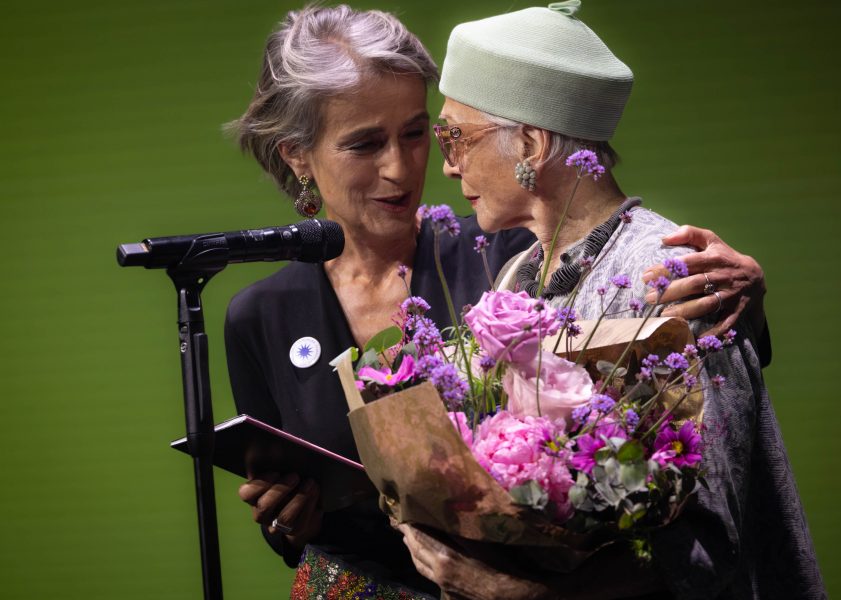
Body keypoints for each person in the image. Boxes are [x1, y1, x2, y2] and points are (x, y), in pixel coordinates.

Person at [223, 4, 772, 598]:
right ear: (298, 155)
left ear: (530, 143)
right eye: (364, 144)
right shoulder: (518, 273)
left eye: (423, 133)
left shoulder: (514, 255)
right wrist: (290, 520)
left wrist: (737, 303)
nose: (409, 167)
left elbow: (701, 475)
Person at [395, 2, 825, 598]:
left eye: (455, 137)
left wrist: (521, 595)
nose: (446, 166)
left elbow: (708, 537)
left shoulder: (674, 275)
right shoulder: (516, 274)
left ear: (530, 143)